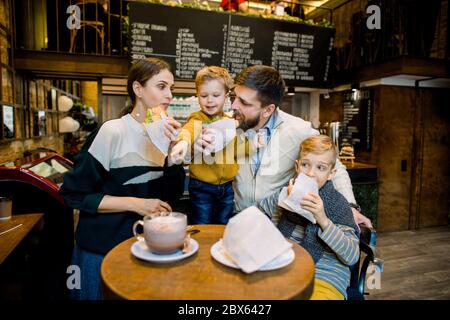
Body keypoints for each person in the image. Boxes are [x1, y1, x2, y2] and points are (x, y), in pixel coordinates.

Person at [60, 58, 185, 300]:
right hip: (100, 250)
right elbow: (73, 194)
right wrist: (136, 204)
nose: (169, 95)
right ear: (138, 89)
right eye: (161, 86)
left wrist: (172, 153)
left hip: (144, 249)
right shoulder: (112, 131)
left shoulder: (162, 134)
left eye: (171, 88)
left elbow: (170, 197)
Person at [197, 64, 372, 228]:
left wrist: (350, 206)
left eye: (244, 102)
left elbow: (336, 167)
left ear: (268, 110)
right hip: (234, 218)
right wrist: (197, 144)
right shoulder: (227, 123)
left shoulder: (298, 130)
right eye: (235, 98)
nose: (234, 106)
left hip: (276, 225)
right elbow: (198, 146)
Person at [261, 135, 360, 299]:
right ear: (297, 166)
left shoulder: (338, 205)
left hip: (325, 275)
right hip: (283, 269)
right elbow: (259, 216)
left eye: (320, 168)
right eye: (305, 165)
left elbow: (352, 256)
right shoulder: (284, 193)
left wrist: (322, 219)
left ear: (331, 173)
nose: (311, 173)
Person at [170, 66, 238, 224]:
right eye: (203, 95)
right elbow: (188, 131)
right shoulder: (197, 118)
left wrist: (253, 144)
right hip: (202, 187)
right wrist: (183, 143)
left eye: (216, 95)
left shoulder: (230, 121)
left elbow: (237, 148)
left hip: (228, 186)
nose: (209, 100)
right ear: (197, 96)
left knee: (223, 224)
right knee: (202, 223)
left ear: (226, 96)